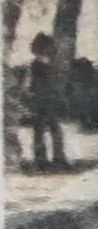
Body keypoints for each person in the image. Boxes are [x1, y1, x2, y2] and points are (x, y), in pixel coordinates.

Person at [23, 32, 66, 170]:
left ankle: (49, 159)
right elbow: (30, 84)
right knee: (46, 130)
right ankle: (48, 159)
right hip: (43, 101)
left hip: (45, 100)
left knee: (47, 130)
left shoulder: (45, 65)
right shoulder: (40, 65)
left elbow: (30, 85)